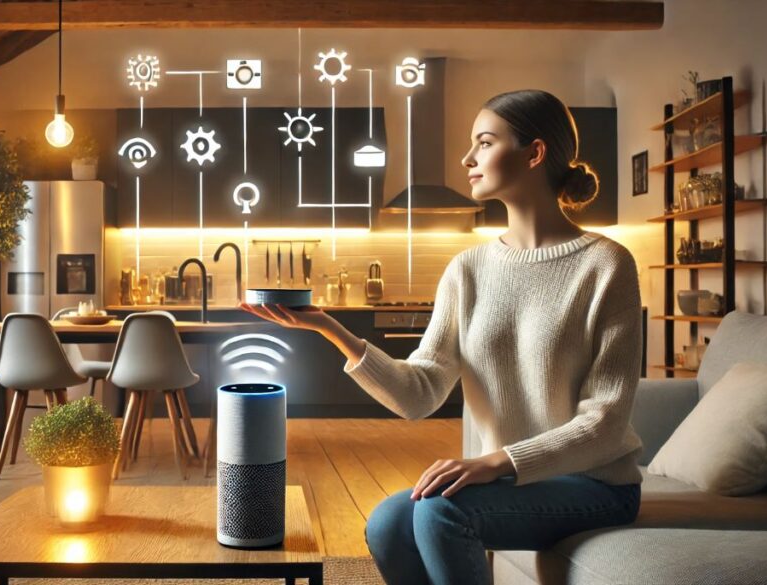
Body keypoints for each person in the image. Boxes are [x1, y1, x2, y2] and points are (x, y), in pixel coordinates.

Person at [239, 89, 643, 585]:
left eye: (485, 142)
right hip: (512, 480)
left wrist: (496, 463)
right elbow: (420, 394)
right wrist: (329, 328)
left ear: (534, 153)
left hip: (594, 485)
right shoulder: (466, 269)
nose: (467, 158)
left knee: (441, 512)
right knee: (390, 522)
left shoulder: (606, 265)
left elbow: (604, 421)